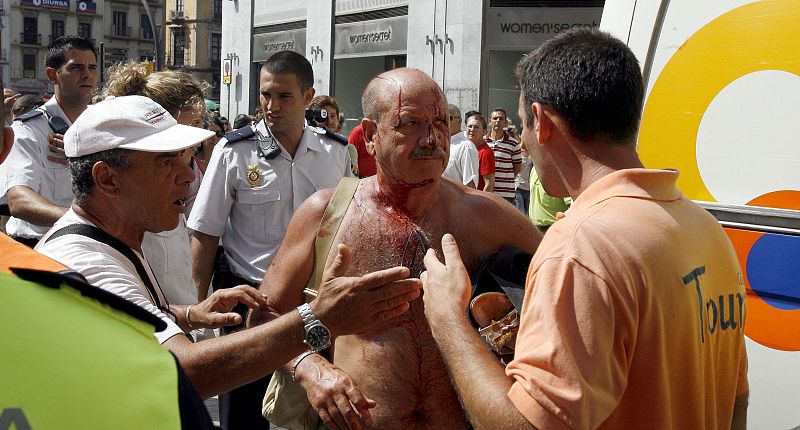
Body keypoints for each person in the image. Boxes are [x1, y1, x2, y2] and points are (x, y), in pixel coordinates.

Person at [420, 28, 748, 430]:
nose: (522, 143)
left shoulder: (581, 248)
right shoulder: (706, 229)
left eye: (523, 123)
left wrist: (448, 321)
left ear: (541, 122)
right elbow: (737, 401)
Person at [32, 95, 420, 422]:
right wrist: (318, 320)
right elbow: (179, 372)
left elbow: (117, 325)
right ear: (107, 179)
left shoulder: (111, 242)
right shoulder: (86, 261)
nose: (188, 175)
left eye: (186, 158)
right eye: (165, 163)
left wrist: (182, 314)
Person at [249, 67, 541, 430]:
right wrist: (310, 368)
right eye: (410, 124)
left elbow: (560, 290)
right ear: (371, 136)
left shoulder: (486, 215)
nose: (431, 138)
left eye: (439, 122)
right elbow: (263, 314)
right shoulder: (325, 215)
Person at [187, 50, 353, 428]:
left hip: (314, 299)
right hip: (248, 300)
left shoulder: (335, 152)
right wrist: (199, 309)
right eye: (265, 95)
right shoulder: (233, 151)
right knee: (243, 413)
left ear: (308, 97)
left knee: (316, 408)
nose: (271, 106)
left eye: (284, 96)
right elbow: (205, 232)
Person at [101, 61, 214, 335]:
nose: (194, 142)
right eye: (189, 126)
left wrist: (195, 314)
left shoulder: (185, 171)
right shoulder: (135, 205)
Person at [4, 36, 97, 247]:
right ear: (52, 75)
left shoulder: (101, 127)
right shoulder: (28, 129)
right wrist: (83, 222)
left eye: (92, 67)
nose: (87, 74)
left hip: (88, 247)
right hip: (38, 248)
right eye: (76, 67)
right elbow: (19, 201)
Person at [485, 108, 521, 204]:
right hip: (486, 192)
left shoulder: (514, 143)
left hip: (506, 194)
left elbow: (517, 167)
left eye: (501, 119)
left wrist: (506, 179)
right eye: (495, 118)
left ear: (505, 123)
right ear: (490, 121)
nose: (497, 121)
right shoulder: (483, 142)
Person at [443, 103, 479, 188]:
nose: (445, 122)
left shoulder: (466, 147)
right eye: (442, 118)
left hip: (454, 200)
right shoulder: (440, 143)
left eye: (449, 118)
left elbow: (470, 185)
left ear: (460, 121)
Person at [529, 167, 571, 233]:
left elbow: (571, 206)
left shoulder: (560, 173)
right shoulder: (534, 169)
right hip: (535, 229)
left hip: (555, 230)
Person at [466, 114, 496, 192]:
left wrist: (481, 203)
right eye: (469, 126)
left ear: (484, 132)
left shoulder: (485, 153)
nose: (472, 129)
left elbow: (489, 184)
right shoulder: (467, 149)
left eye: (476, 127)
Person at [514, 144, 533, 215]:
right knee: (520, 212)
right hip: (518, 187)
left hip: (529, 189)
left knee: (528, 214)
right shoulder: (516, 151)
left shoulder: (533, 152)